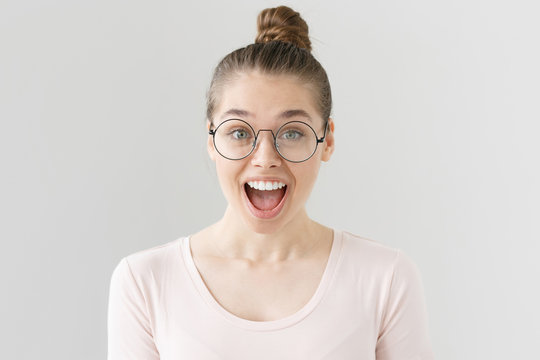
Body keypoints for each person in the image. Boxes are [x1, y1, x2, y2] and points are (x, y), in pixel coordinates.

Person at [107, 5, 435, 359]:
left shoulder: (385, 278)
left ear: (327, 141)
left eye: (292, 132)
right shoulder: (145, 281)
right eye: (239, 132)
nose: (265, 158)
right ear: (211, 141)